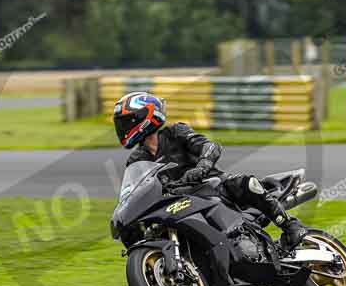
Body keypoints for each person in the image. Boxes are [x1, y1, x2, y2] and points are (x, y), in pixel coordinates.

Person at [113, 91, 307, 251]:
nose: (121, 128)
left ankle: (291, 226)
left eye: (125, 122)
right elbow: (133, 190)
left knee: (246, 183)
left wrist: (203, 166)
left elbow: (211, 146)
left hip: (211, 186)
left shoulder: (175, 133)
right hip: (177, 203)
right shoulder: (136, 159)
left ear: (142, 118)